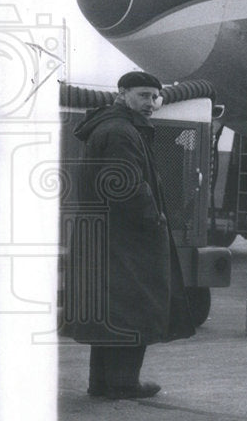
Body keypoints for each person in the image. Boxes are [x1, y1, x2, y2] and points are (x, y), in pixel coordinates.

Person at [60, 71, 195, 399]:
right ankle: (123, 383)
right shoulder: (122, 131)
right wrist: (155, 221)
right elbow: (128, 187)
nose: (151, 103)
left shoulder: (110, 127)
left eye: (155, 97)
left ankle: (102, 382)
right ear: (122, 93)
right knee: (135, 306)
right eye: (144, 95)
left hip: (106, 236)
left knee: (110, 310)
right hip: (127, 238)